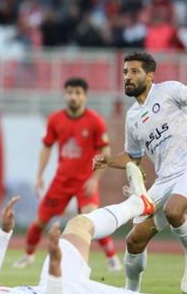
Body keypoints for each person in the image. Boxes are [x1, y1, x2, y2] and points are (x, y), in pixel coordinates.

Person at [0, 163, 182, 294]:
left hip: (53, 283)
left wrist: (5, 231)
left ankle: (140, 203)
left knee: (79, 225)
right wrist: (55, 265)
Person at [93, 51, 187, 294]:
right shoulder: (133, 117)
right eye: (125, 72)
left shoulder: (169, 91)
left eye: (134, 71)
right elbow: (133, 157)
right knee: (134, 241)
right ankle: (131, 293)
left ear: (149, 76)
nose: (127, 76)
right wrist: (108, 161)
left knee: (173, 210)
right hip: (164, 181)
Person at [15, 78, 120, 272]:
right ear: (65, 94)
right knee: (40, 222)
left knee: (90, 219)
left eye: (78, 93)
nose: (73, 96)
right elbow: (46, 148)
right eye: (70, 92)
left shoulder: (95, 121)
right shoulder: (55, 119)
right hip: (61, 181)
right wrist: (39, 176)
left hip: (85, 182)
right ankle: (28, 256)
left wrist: (94, 179)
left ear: (85, 96)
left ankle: (112, 258)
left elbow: (106, 153)